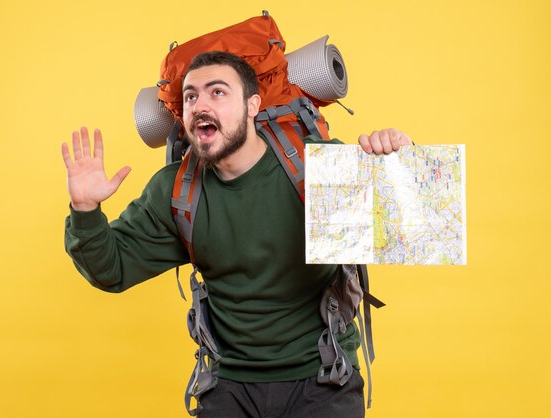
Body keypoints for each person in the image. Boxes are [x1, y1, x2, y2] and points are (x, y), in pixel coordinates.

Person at [62, 51, 412, 418]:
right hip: (229, 385)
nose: (200, 105)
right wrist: (85, 211)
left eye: (217, 92)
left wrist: (402, 161)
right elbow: (111, 268)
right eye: (191, 96)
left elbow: (415, 224)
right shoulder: (178, 192)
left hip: (323, 377)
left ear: (252, 105)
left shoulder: (313, 167)